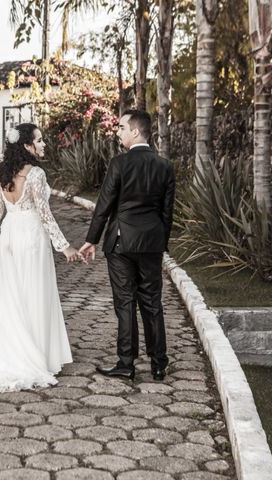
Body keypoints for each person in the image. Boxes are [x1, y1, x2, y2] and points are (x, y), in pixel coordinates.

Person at [0, 123, 80, 392]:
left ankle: (10, 351)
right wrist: (64, 246)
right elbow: (45, 214)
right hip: (31, 236)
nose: (43, 144)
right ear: (27, 146)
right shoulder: (36, 174)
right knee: (34, 292)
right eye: (39, 140)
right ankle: (35, 355)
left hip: (10, 236)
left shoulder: (4, 173)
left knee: (11, 294)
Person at [79, 109, 175, 381]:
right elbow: (167, 213)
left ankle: (126, 363)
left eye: (121, 127)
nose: (118, 131)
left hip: (121, 244)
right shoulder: (165, 166)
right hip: (152, 244)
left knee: (125, 303)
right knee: (152, 303)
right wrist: (160, 242)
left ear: (135, 131)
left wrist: (91, 240)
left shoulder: (119, 163)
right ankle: (159, 364)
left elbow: (104, 206)